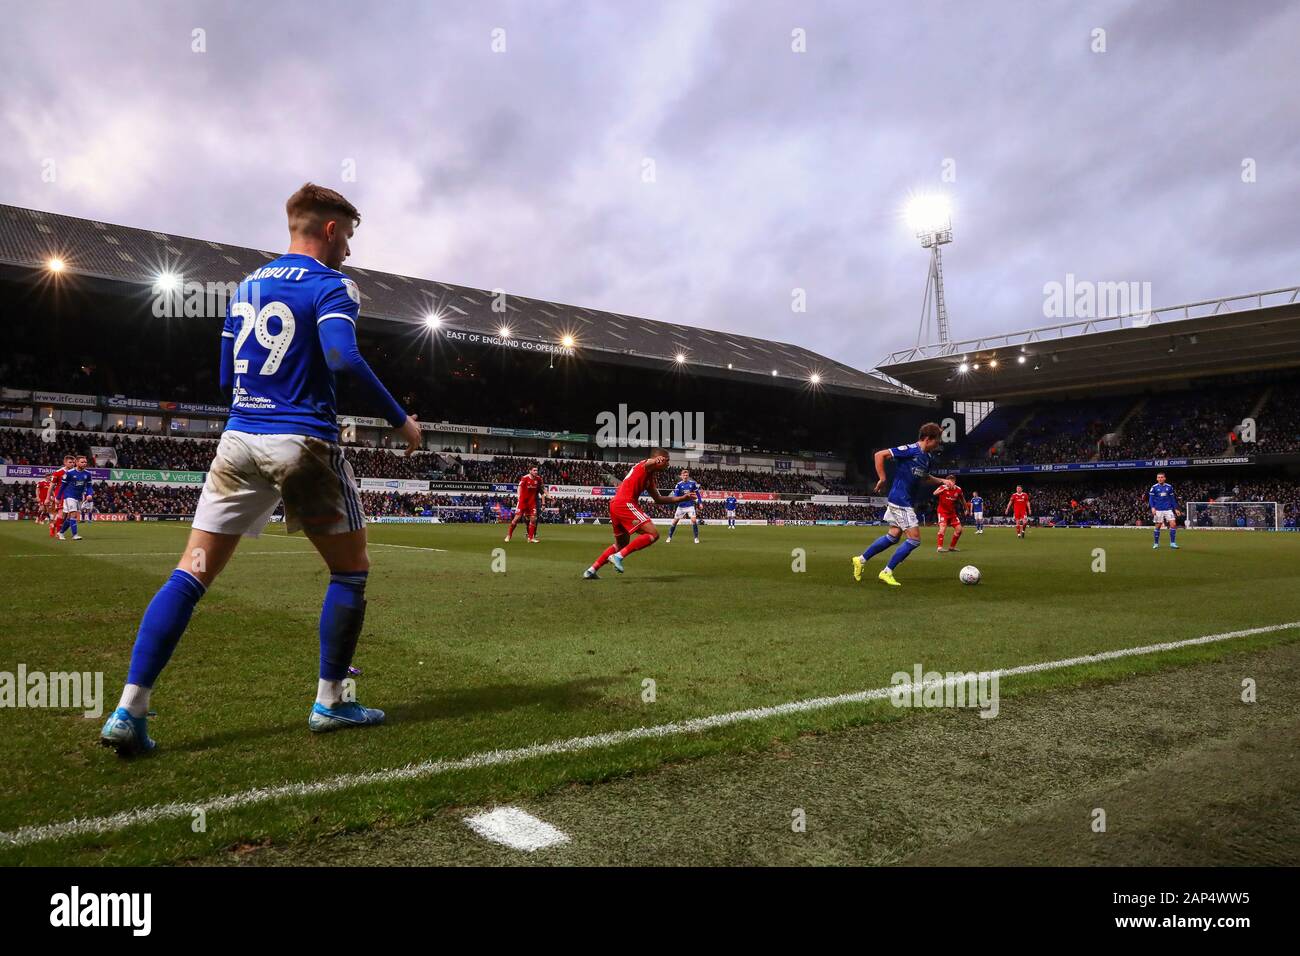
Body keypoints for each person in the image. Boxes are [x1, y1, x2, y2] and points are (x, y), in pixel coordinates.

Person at [100, 183, 422, 757]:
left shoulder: (247, 286)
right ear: (328, 229)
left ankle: (130, 708)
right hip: (301, 445)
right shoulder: (332, 284)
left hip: (239, 440)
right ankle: (331, 700)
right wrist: (402, 422)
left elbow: (226, 373)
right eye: (348, 235)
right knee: (350, 572)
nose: (349, 248)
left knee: (190, 573)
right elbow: (342, 356)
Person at [852, 423, 949, 587]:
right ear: (927, 439)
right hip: (900, 500)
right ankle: (886, 572)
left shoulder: (927, 458)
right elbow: (879, 455)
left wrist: (942, 481)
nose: (938, 444)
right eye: (937, 440)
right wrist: (882, 478)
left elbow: (924, 478)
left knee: (893, 537)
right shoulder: (911, 450)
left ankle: (860, 560)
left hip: (906, 501)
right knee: (914, 540)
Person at [583, 450, 690, 578]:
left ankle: (591, 570)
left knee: (621, 544)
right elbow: (648, 462)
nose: (668, 464)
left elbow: (659, 499)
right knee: (653, 534)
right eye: (667, 460)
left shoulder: (649, 478)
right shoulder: (644, 465)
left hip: (616, 504)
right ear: (660, 459)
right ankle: (618, 556)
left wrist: (682, 498)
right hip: (625, 503)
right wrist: (656, 461)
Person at [505, 465, 544, 543]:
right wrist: (519, 497)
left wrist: (544, 500)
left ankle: (530, 538)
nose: (536, 472)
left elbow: (541, 489)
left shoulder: (538, 479)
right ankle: (509, 535)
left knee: (533, 519)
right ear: (530, 471)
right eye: (534, 470)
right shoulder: (525, 478)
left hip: (532, 502)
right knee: (516, 519)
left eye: (537, 470)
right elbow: (519, 487)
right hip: (523, 502)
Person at [666, 469, 703, 543]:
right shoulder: (678, 485)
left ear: (688, 476)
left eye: (686, 475)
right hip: (681, 506)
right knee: (674, 522)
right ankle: (669, 537)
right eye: (684, 475)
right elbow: (676, 496)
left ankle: (696, 538)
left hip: (690, 506)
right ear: (681, 476)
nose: (685, 476)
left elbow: (698, 494)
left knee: (694, 521)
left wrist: (700, 503)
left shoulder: (692, 484)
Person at [933, 474, 965, 552]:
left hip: (952, 513)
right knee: (942, 528)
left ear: (954, 481)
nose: (951, 483)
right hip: (942, 512)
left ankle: (952, 547)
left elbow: (962, 499)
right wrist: (943, 490)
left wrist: (966, 508)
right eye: (949, 481)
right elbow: (934, 493)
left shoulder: (958, 489)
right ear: (947, 482)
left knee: (959, 530)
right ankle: (939, 548)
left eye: (953, 481)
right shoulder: (943, 487)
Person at [1149, 471, 1179, 549]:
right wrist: (1152, 507)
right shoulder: (1154, 487)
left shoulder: (1169, 487)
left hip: (1168, 509)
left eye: (1162, 477)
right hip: (1158, 509)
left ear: (1164, 478)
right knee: (1158, 526)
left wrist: (1175, 508)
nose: (1160, 479)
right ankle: (1156, 543)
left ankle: (1172, 543)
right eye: (1159, 477)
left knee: (1173, 524)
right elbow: (1151, 499)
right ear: (1157, 478)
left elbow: (1172, 499)